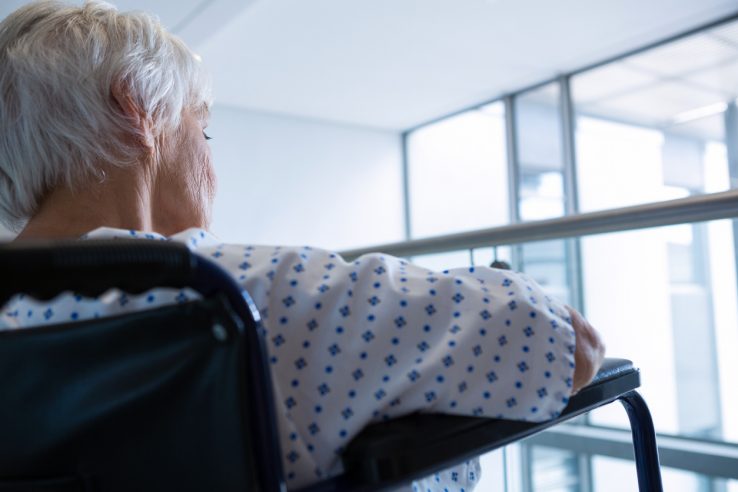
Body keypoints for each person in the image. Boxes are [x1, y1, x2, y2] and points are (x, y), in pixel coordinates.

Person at [0, 1, 605, 490]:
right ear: (139, 109)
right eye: (202, 127)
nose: (212, 162)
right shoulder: (242, 295)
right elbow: (563, 346)